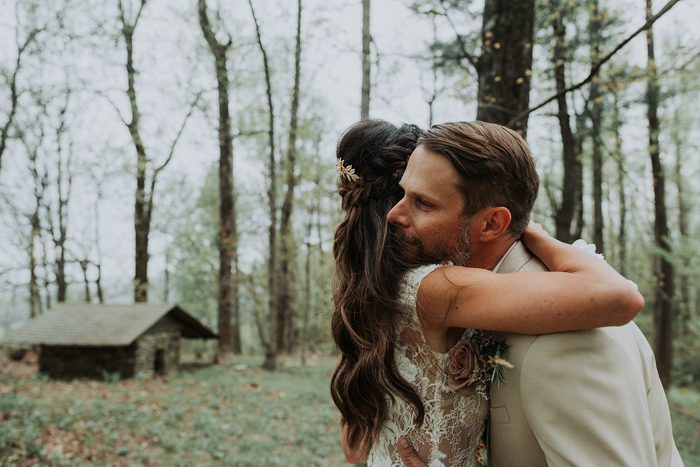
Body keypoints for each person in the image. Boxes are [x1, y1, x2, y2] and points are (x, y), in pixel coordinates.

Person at [331, 120, 645, 466]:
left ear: (492, 223)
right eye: (404, 195)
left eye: (422, 202)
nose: (396, 214)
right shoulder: (434, 288)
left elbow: (355, 448)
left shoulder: (375, 290)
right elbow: (619, 295)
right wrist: (538, 235)